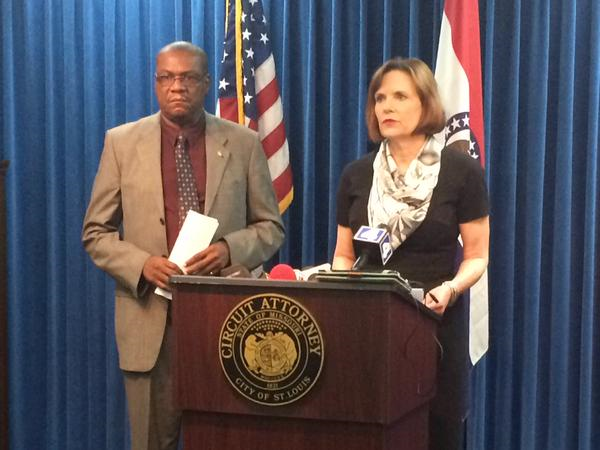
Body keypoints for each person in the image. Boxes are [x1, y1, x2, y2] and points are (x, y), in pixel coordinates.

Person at [82, 41, 284, 450]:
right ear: (156, 83)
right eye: (167, 78)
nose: (177, 87)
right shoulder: (121, 143)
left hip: (224, 322)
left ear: (207, 83)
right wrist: (141, 264)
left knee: (225, 438)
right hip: (150, 322)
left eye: (188, 77)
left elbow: (271, 227)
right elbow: (96, 233)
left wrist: (229, 248)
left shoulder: (243, 143)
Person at [332, 57, 489, 450]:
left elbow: (477, 255)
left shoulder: (461, 171)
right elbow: (343, 255)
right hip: (367, 327)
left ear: (426, 104)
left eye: (400, 96)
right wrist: (342, 283)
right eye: (380, 98)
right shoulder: (356, 174)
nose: (386, 106)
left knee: (433, 435)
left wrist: (451, 289)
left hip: (434, 324)